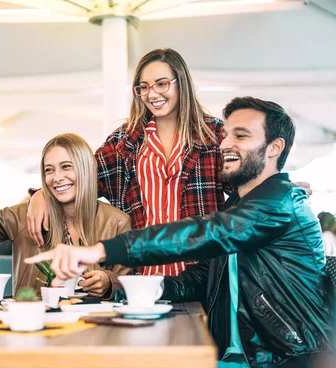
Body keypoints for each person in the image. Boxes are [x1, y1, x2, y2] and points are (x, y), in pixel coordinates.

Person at [26, 97, 331, 367]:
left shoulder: (281, 202)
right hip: (234, 356)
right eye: (225, 135)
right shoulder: (237, 205)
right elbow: (201, 279)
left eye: (241, 135)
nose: (224, 144)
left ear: (274, 147)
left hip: (288, 358)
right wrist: (122, 290)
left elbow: (205, 233)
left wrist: (100, 250)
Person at [28, 48, 228, 277]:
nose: (152, 94)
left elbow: (248, 191)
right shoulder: (123, 142)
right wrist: (39, 194)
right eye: (143, 87)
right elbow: (81, 179)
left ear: (181, 83)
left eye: (162, 84)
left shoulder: (214, 136)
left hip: (201, 275)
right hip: (139, 280)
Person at [0, 133, 132, 298]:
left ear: (85, 168)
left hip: (94, 321)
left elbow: (129, 284)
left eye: (66, 166)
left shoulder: (117, 222)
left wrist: (109, 281)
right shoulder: (23, 215)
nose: (56, 178)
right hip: (35, 319)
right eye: (49, 170)